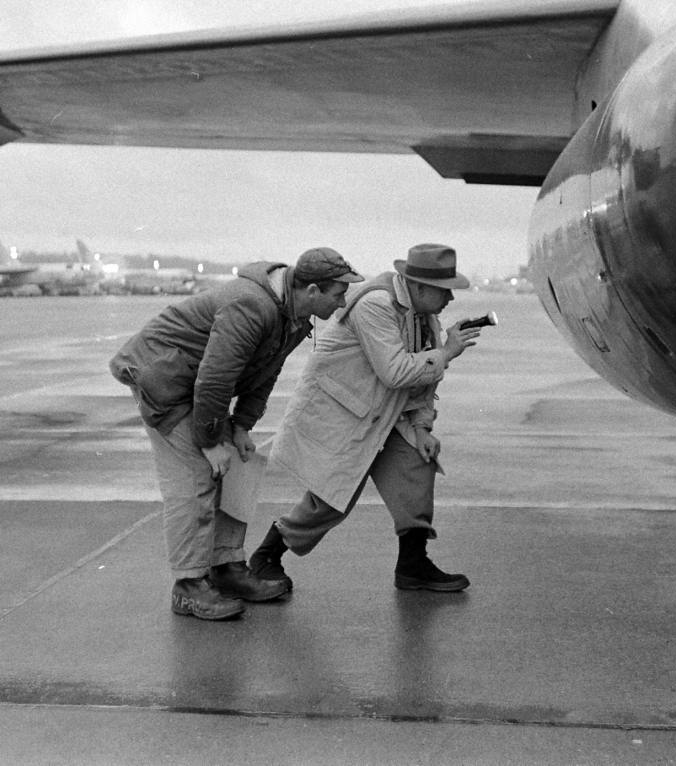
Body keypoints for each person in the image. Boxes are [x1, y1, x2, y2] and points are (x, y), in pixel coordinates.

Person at [110, 248, 364, 621]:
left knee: (240, 466)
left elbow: (265, 372)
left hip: (195, 384)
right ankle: (189, 585)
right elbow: (216, 376)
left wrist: (242, 426)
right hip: (162, 380)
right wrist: (211, 442)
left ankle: (226, 567)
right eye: (337, 294)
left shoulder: (291, 314)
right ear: (311, 290)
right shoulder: (251, 305)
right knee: (195, 479)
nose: (343, 301)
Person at [249, 243, 482, 593]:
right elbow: (397, 372)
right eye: (444, 290)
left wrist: (422, 427)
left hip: (384, 413)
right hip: (344, 414)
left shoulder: (423, 316)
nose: (450, 298)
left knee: (417, 468)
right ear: (419, 287)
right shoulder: (376, 304)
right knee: (330, 499)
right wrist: (447, 352)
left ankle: (413, 565)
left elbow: (422, 380)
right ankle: (267, 556)